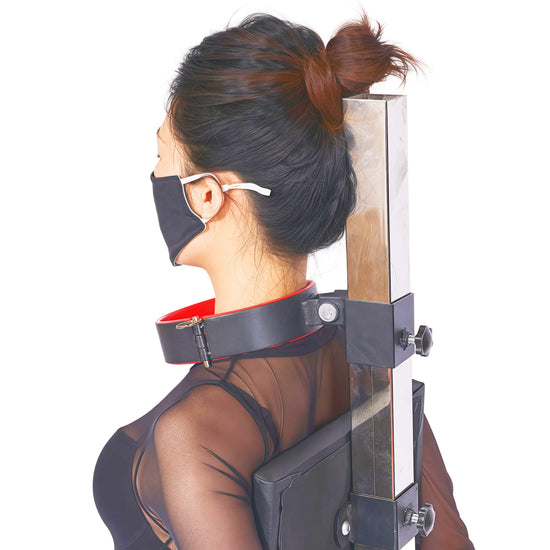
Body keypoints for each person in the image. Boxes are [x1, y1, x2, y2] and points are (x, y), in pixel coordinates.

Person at [93, 10, 474, 549]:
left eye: (161, 156)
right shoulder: (370, 359)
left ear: (206, 195)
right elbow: (450, 539)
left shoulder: (196, 432)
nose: (156, 174)